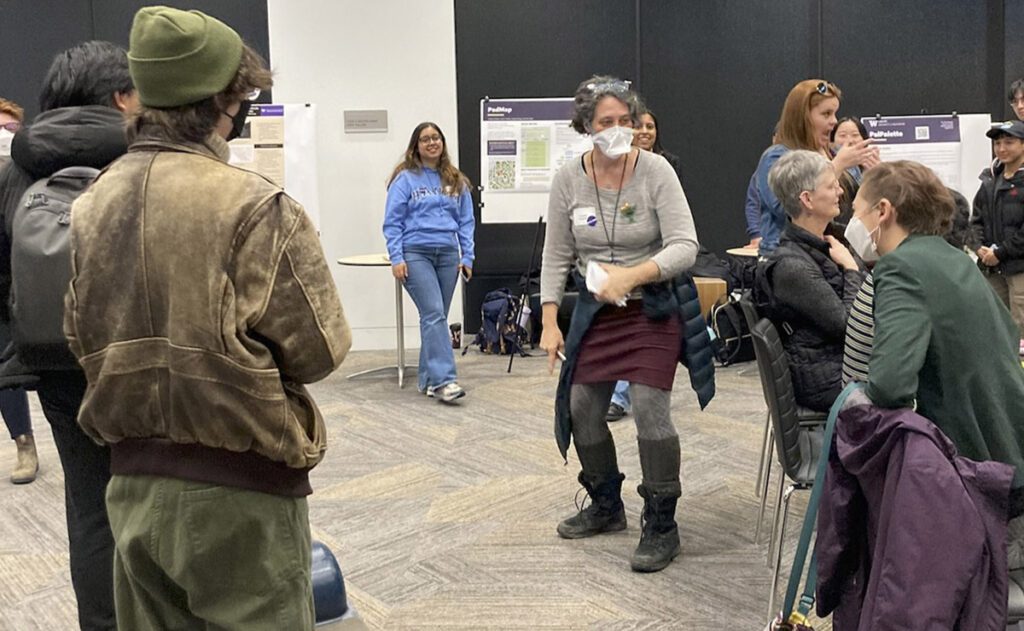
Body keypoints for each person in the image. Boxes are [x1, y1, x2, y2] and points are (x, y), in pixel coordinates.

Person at [63, 7, 350, 629]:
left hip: (131, 482)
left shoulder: (91, 205)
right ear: (228, 99)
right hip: (240, 489)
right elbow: (320, 350)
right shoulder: (255, 205)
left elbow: (78, 335)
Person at [540, 75, 708, 573]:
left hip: (652, 305)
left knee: (648, 407)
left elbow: (685, 245)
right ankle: (607, 505)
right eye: (605, 122)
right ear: (586, 127)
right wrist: (549, 321)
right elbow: (556, 254)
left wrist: (630, 275)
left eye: (624, 121)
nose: (617, 130)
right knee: (581, 407)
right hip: (598, 312)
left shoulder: (655, 171)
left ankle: (661, 522)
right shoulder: (569, 179)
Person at [0, 41, 138, 630]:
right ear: (118, 98)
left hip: (53, 361)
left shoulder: (14, 170)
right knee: (161, 497)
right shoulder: (146, 162)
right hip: (139, 358)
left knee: (90, 507)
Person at [855, 159, 1024, 550]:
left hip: (976, 479)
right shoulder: (955, 260)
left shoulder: (900, 267)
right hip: (1007, 451)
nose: (855, 224)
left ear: (883, 211)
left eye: (858, 212)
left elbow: (890, 383)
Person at [757, 150, 866, 411]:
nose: (840, 191)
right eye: (831, 186)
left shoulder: (826, 245)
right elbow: (849, 327)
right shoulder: (791, 267)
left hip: (840, 368)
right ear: (807, 199)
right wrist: (851, 269)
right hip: (828, 380)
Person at [383, 122, 475, 403]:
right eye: (425, 139)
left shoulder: (455, 179)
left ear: (443, 143)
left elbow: (466, 221)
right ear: (416, 146)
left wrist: (467, 255)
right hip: (416, 253)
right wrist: (397, 257)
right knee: (434, 314)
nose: (432, 143)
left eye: (436, 138)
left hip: (448, 254)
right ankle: (444, 381)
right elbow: (392, 223)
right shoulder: (405, 180)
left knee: (434, 318)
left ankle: (427, 380)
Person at [606, 109, 686, 423]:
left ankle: (629, 391)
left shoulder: (669, 165)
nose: (645, 131)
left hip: (661, 257)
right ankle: (619, 394)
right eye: (638, 126)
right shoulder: (616, 166)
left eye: (651, 126)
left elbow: (674, 212)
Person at [755, 80, 877, 256]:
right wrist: (836, 167)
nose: (834, 122)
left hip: (830, 254)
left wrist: (874, 175)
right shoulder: (776, 157)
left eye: (835, 113)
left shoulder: (836, 155)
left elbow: (857, 210)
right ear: (802, 117)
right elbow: (787, 210)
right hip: (786, 257)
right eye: (826, 114)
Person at [0, 96, 35, 485]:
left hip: (32, 287)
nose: (5, 136)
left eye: (11, 129)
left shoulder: (32, 173)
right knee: (4, 371)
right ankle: (25, 444)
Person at [972, 120, 1024, 351]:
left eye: (1009, 142)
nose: (1002, 148)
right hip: (992, 269)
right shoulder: (990, 180)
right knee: (995, 328)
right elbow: (975, 221)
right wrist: (979, 248)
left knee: (1020, 330)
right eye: (998, 143)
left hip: (1019, 270)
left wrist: (1000, 253)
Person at [830, 116, 880, 225]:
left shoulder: (872, 165)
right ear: (832, 141)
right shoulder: (827, 168)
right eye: (842, 135)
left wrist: (877, 175)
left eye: (855, 135)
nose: (849, 141)